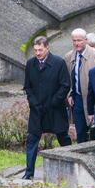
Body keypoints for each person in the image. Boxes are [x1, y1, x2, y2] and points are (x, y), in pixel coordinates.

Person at [22, 36, 72, 179]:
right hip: (37, 110)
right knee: (32, 139)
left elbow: (65, 85)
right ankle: (29, 173)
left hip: (55, 109)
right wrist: (33, 102)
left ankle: (73, 166)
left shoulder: (59, 63)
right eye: (35, 50)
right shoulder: (30, 64)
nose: (37, 53)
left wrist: (54, 101)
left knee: (63, 137)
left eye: (40, 50)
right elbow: (28, 87)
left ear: (47, 48)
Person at [64, 28, 95, 144]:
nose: (76, 43)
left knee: (94, 131)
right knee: (80, 131)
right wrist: (69, 94)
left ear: (86, 40)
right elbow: (67, 78)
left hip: (93, 99)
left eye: (79, 40)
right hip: (77, 99)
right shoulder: (69, 57)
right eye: (74, 41)